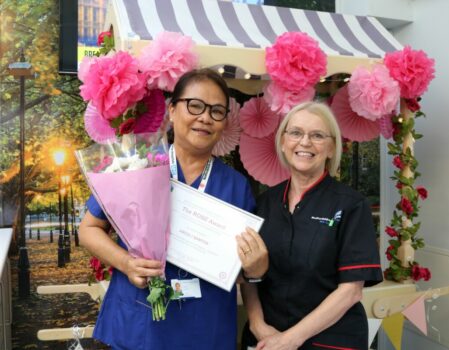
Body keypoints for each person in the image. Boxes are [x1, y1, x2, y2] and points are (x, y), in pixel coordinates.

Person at [79, 68, 268, 349]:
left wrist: (254, 271)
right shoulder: (137, 164)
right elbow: (88, 230)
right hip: (141, 319)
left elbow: (240, 265)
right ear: (172, 111)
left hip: (206, 324)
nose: (205, 117)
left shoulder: (237, 186)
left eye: (217, 111)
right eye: (195, 106)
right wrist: (126, 263)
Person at [241, 102, 383, 350]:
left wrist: (289, 340)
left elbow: (351, 291)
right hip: (267, 338)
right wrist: (257, 325)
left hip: (329, 340)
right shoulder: (263, 204)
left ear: (331, 148)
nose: (304, 142)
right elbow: (249, 273)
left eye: (317, 135)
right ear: (283, 142)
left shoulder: (352, 206)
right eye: (296, 133)